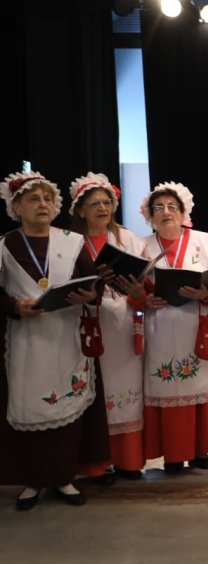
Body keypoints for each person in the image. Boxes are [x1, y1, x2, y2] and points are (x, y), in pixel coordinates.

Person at [0, 171, 109, 510]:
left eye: (48, 199)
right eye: (34, 199)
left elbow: (95, 285)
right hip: (26, 341)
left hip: (66, 339)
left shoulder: (70, 241)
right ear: (16, 207)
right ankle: (32, 481)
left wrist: (90, 293)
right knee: (29, 409)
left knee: (69, 405)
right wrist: (15, 306)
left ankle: (64, 478)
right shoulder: (5, 245)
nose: (43, 204)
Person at [139, 182, 208, 473]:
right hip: (159, 328)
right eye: (159, 208)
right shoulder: (142, 247)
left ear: (183, 211)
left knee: (198, 385)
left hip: (195, 325)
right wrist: (144, 299)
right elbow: (133, 290)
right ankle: (173, 454)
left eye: (172, 207)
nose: (166, 212)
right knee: (165, 386)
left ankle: (201, 449)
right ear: (150, 216)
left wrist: (207, 294)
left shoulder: (206, 242)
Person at [69, 172, 147, 483]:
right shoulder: (69, 242)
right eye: (94, 203)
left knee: (125, 392)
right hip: (85, 324)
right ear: (80, 210)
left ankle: (128, 460)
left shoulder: (129, 239)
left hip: (123, 323)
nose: (102, 208)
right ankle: (97, 464)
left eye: (106, 202)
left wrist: (140, 291)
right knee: (92, 393)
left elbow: (146, 286)